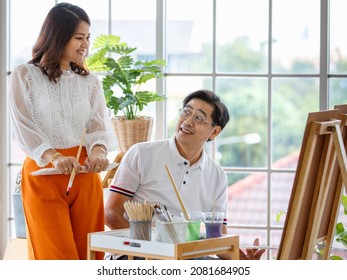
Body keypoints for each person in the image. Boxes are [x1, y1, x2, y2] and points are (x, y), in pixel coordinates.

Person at [9, 2, 116, 260]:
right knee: (57, 258)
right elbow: (23, 126)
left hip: (85, 174)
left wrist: (99, 152)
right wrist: (55, 157)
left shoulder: (90, 82)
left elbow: (98, 126)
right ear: (58, 36)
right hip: (43, 173)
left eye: (88, 37)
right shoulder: (24, 75)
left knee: (90, 257)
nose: (86, 45)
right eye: (79, 37)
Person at [104, 89, 265, 260]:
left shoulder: (216, 176)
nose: (187, 121)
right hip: (134, 253)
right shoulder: (142, 153)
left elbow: (216, 239)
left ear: (214, 132)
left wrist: (244, 261)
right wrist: (152, 247)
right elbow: (111, 213)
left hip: (185, 256)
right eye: (186, 112)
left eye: (198, 118)